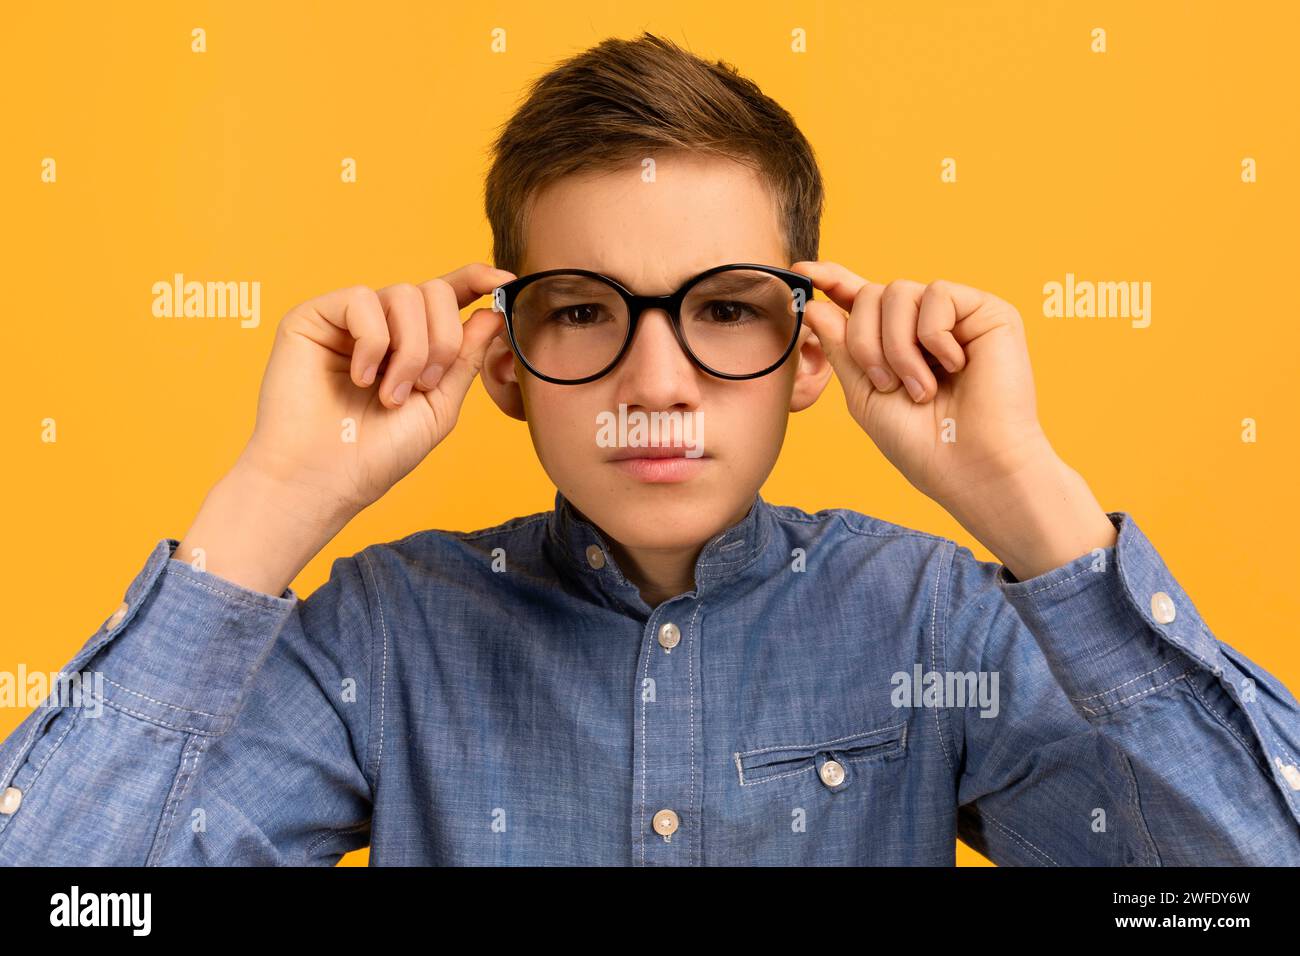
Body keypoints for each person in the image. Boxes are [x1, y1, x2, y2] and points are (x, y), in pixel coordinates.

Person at [2, 32, 1298, 866]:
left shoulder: (932, 625)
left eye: (724, 307)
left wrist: (1031, 502)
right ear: (507, 363)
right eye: (585, 312)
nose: (658, 380)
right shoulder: (384, 637)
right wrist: (269, 503)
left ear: (807, 354)